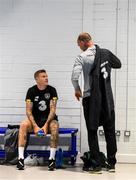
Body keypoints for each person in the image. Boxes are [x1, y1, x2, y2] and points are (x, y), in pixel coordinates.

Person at [71, 33, 121, 174]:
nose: (78, 47)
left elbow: (74, 77)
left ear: (83, 42)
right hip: (107, 99)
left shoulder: (82, 57)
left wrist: (77, 90)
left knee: (92, 131)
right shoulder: (105, 53)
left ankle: (96, 165)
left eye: (78, 44)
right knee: (110, 131)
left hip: (91, 99)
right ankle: (111, 164)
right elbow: (118, 64)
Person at [17, 69, 59, 171]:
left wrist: (45, 126)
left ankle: (51, 159)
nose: (46, 78)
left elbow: (53, 110)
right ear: (37, 79)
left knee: (55, 126)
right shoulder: (31, 91)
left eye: (46, 76)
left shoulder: (52, 90)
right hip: (35, 121)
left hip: (49, 120)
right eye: (43, 76)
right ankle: (20, 159)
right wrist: (35, 126)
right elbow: (28, 111)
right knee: (23, 125)